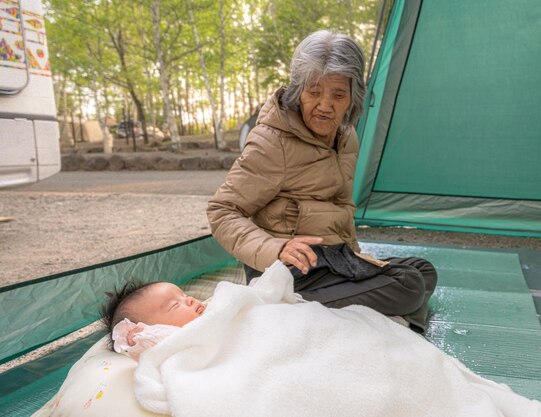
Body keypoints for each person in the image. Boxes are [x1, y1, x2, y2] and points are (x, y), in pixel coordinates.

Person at [206, 30, 437, 332]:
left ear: (352, 97)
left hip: (331, 259)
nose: (325, 105)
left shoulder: (346, 136)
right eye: (314, 92)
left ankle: (357, 314)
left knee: (422, 271)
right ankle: (292, 306)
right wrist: (275, 248)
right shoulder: (271, 142)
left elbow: (340, 205)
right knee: (407, 286)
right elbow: (222, 211)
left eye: (338, 95)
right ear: (297, 90)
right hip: (290, 270)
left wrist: (355, 260)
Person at [100, 281, 207, 359]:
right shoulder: (168, 339)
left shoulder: (210, 309)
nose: (190, 300)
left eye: (185, 295)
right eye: (175, 305)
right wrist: (136, 342)